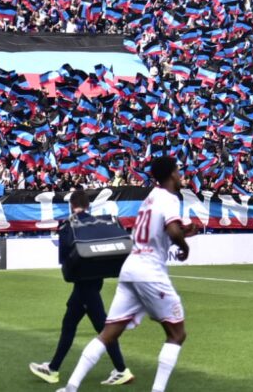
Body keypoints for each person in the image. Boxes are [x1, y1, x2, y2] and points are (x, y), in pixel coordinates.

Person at [55, 156, 197, 392]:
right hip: (150, 271)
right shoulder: (170, 198)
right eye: (178, 171)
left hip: (131, 268)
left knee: (108, 334)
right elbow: (172, 230)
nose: (180, 175)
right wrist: (185, 246)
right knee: (177, 334)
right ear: (172, 174)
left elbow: (161, 232)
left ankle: (70, 388)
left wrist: (183, 233)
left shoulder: (151, 197)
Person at [29, 188, 134, 386]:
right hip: (94, 281)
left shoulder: (70, 226)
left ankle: (121, 370)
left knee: (103, 328)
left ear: (71, 206)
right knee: (69, 324)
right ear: (88, 205)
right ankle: (53, 368)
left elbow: (64, 258)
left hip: (84, 285)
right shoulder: (98, 223)